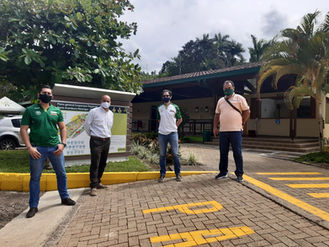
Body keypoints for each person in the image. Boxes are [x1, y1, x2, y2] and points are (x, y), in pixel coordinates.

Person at [20, 85, 76, 218]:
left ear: (52, 96)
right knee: (35, 178)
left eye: (48, 93)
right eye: (44, 92)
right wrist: (29, 148)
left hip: (55, 148)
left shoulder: (56, 111)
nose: (46, 94)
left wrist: (62, 143)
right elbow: (23, 129)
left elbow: (63, 128)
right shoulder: (30, 110)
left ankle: (64, 197)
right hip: (37, 149)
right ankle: (33, 206)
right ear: (39, 95)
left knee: (62, 174)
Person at [213, 80, 250, 182]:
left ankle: (239, 173)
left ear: (233, 88)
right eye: (225, 88)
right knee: (223, 152)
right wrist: (215, 127)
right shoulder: (220, 101)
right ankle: (223, 172)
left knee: (237, 152)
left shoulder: (239, 98)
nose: (227, 90)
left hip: (236, 131)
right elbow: (217, 115)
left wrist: (242, 122)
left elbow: (247, 111)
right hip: (223, 131)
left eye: (229, 88)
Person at [84, 95, 113, 196]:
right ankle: (93, 186)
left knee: (103, 163)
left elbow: (109, 127)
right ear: (101, 101)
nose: (106, 102)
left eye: (108, 101)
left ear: (110, 102)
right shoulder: (94, 111)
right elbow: (87, 125)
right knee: (95, 163)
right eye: (104, 100)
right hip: (96, 141)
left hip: (107, 141)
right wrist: (93, 135)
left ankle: (98, 181)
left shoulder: (111, 114)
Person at [157, 89, 183, 183]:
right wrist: (163, 127)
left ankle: (178, 174)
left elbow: (180, 119)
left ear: (170, 97)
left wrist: (174, 127)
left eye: (167, 96)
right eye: (164, 96)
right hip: (162, 134)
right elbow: (158, 119)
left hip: (173, 133)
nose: (165, 97)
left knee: (175, 154)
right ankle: (162, 174)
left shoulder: (175, 107)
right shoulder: (159, 108)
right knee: (162, 155)